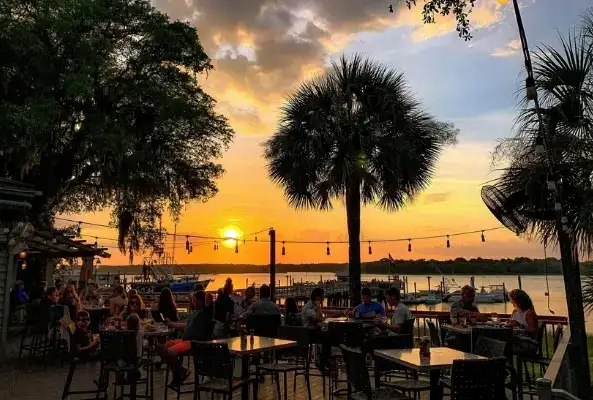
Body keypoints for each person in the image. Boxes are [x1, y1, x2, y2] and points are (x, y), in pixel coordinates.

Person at [157, 291, 212, 386]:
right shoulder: (196, 312)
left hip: (194, 342)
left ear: (201, 301)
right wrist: (171, 324)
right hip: (185, 340)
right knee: (161, 348)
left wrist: (207, 300)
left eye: (195, 300)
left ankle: (180, 374)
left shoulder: (206, 312)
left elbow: (210, 304)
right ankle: (180, 371)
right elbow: (186, 325)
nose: (193, 302)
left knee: (170, 351)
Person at [301, 288, 331, 372]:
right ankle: (322, 361)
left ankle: (324, 360)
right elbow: (318, 318)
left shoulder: (315, 306)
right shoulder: (309, 307)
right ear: (318, 297)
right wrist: (318, 307)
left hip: (315, 330)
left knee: (330, 335)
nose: (324, 297)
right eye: (322, 296)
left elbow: (320, 319)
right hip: (308, 333)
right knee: (327, 338)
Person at [508, 289, 539, 355]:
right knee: (499, 345)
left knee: (503, 348)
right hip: (517, 341)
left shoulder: (529, 313)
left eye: (513, 301)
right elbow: (511, 325)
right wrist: (510, 324)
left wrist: (519, 325)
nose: (513, 304)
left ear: (519, 301)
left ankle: (506, 364)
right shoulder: (515, 312)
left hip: (528, 344)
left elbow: (532, 330)